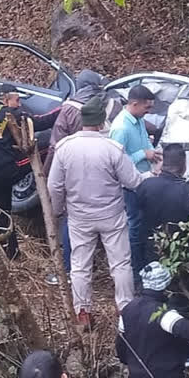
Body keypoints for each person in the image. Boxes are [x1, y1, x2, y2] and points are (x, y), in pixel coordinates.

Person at [47, 96, 154, 326]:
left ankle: (82, 312)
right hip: (111, 216)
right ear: (101, 122)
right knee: (120, 264)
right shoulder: (112, 149)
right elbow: (133, 181)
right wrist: (150, 176)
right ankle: (125, 309)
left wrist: (58, 210)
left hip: (79, 217)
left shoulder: (65, 147)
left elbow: (54, 185)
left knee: (80, 265)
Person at [42, 69, 122, 287]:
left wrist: (45, 173)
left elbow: (55, 146)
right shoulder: (113, 104)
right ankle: (113, 274)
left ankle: (70, 271)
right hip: (107, 176)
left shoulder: (69, 109)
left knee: (72, 225)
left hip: (75, 178)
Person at [0, 84, 59, 259]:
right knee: (48, 147)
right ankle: (53, 175)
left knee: (2, 212)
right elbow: (41, 121)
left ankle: (11, 253)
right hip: (5, 170)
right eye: (17, 100)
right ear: (6, 99)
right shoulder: (9, 113)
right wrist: (65, 109)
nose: (19, 104)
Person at [116, 262, 189, 378]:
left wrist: (129, 362)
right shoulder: (162, 313)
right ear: (166, 287)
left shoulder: (128, 309)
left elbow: (121, 344)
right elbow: (187, 329)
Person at [135, 143, 189, 316]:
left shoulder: (146, 186)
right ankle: (180, 328)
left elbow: (137, 219)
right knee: (182, 302)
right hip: (183, 257)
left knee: (152, 298)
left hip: (152, 252)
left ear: (163, 162)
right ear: (184, 164)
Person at [110, 85, 162, 285]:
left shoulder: (138, 120)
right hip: (130, 187)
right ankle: (135, 271)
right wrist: (143, 155)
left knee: (146, 226)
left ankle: (148, 265)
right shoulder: (120, 128)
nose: (148, 112)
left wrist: (154, 156)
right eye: (146, 108)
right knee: (134, 227)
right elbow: (116, 163)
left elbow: (145, 145)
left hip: (146, 179)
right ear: (134, 104)